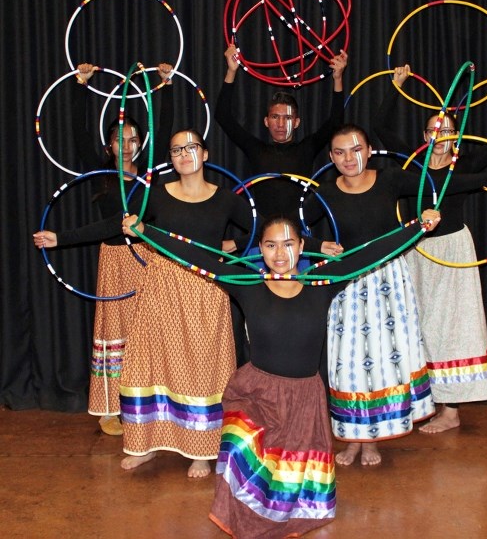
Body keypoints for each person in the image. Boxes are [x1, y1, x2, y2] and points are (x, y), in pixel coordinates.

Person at [122, 210, 441, 538]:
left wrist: (419, 227)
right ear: (260, 249)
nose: (279, 253)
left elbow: (372, 252)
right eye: (270, 245)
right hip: (257, 395)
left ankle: (288, 509)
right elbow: (195, 256)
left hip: (303, 399)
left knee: (290, 480)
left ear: (302, 246)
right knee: (244, 460)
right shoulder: (247, 286)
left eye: (288, 244)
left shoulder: (323, 283)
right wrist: (146, 231)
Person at [303, 123, 487, 465]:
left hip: (389, 280)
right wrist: (318, 244)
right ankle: (351, 438)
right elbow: (294, 224)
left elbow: (445, 183)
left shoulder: (391, 178)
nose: (349, 158)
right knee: (347, 363)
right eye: (340, 152)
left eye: (355, 149)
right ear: (331, 157)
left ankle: (373, 441)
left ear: (368, 151)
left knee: (381, 362)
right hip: (347, 283)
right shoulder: (325, 192)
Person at [35, 129, 255, 478]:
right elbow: (116, 225)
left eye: (191, 147)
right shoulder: (157, 195)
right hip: (159, 290)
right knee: (144, 366)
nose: (184, 154)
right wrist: (59, 238)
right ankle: (145, 444)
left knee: (200, 371)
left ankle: (200, 450)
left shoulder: (225, 199)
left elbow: (258, 229)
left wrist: (228, 247)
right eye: (176, 149)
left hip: (204, 293)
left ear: (206, 153)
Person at [372, 65, 487, 433]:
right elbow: (379, 128)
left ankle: (451, 410)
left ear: (456, 135)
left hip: (453, 251)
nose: (439, 136)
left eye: (447, 131)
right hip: (416, 249)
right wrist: (397, 86)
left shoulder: (465, 163)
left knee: (453, 324)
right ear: (424, 135)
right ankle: (421, 400)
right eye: (433, 130)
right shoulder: (414, 162)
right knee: (417, 324)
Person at [33, 62, 174, 436]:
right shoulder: (100, 173)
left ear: (141, 144)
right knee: (116, 332)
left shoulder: (152, 175)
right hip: (114, 261)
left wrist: (167, 85)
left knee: (149, 332)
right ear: (108, 145)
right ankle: (113, 407)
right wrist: (81, 86)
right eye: (118, 140)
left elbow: (166, 130)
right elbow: (79, 134)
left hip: (149, 260)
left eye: (132, 140)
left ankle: (150, 405)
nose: (125, 146)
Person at [215, 43, 348, 217]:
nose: (280, 124)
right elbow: (222, 115)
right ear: (266, 121)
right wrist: (231, 71)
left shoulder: (307, 148)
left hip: (297, 234)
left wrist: (337, 78)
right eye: (275, 117)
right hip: (263, 233)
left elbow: (335, 122)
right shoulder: (256, 149)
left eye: (287, 118)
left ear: (297, 122)